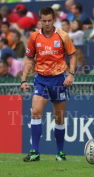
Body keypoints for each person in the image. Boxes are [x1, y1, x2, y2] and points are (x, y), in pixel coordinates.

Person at [21, 7, 76, 162]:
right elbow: (29, 59)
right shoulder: (34, 37)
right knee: (36, 112)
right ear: (40, 20)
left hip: (59, 80)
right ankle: (35, 152)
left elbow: (73, 56)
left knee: (59, 118)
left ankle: (60, 153)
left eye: (49, 20)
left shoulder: (63, 35)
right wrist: (24, 78)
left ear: (54, 20)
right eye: (43, 21)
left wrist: (71, 74)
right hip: (41, 79)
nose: (46, 23)